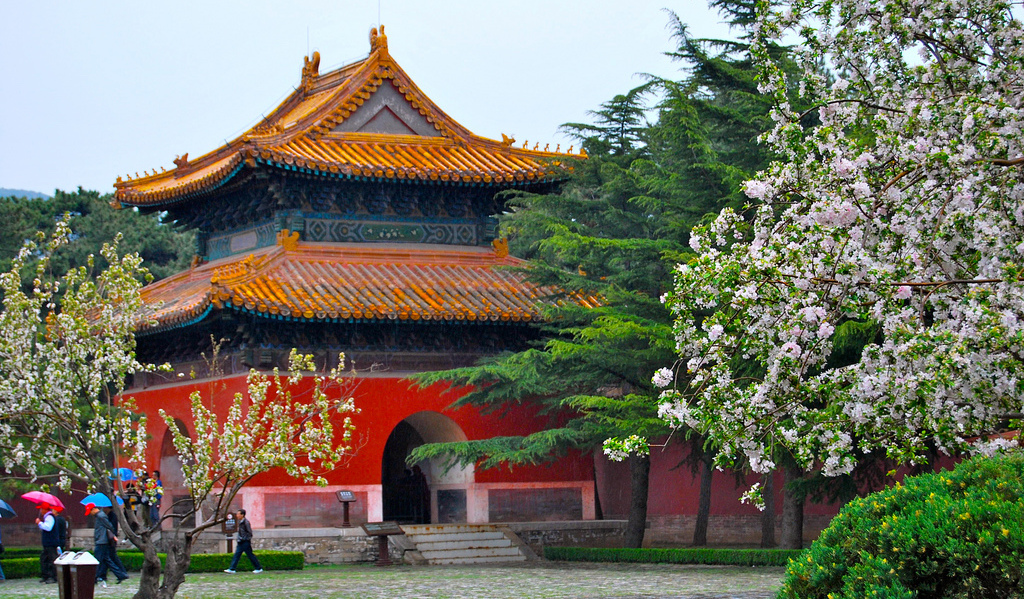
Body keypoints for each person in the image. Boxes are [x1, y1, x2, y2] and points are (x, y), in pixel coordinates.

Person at [87, 503, 128, 587]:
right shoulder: (100, 516)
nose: (90, 514)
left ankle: (95, 577)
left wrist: (111, 535)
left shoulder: (101, 516)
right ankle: (120, 575)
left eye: (90, 511)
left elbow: (110, 526)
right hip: (101, 541)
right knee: (107, 560)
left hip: (102, 541)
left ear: (93, 509)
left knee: (98, 560)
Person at [223, 509, 263, 574]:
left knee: (249, 555)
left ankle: (258, 568)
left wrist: (244, 538)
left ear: (242, 515)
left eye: (238, 514)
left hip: (245, 542)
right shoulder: (240, 522)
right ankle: (232, 568)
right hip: (241, 541)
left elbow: (249, 532)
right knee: (237, 555)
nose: (237, 515)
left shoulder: (246, 522)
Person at [36, 503, 59, 584]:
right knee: (44, 559)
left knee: (51, 560)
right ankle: (46, 576)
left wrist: (39, 523)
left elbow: (48, 528)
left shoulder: (49, 517)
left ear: (45, 509)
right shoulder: (48, 517)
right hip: (48, 543)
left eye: (41, 509)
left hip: (51, 543)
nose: (40, 511)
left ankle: (53, 576)